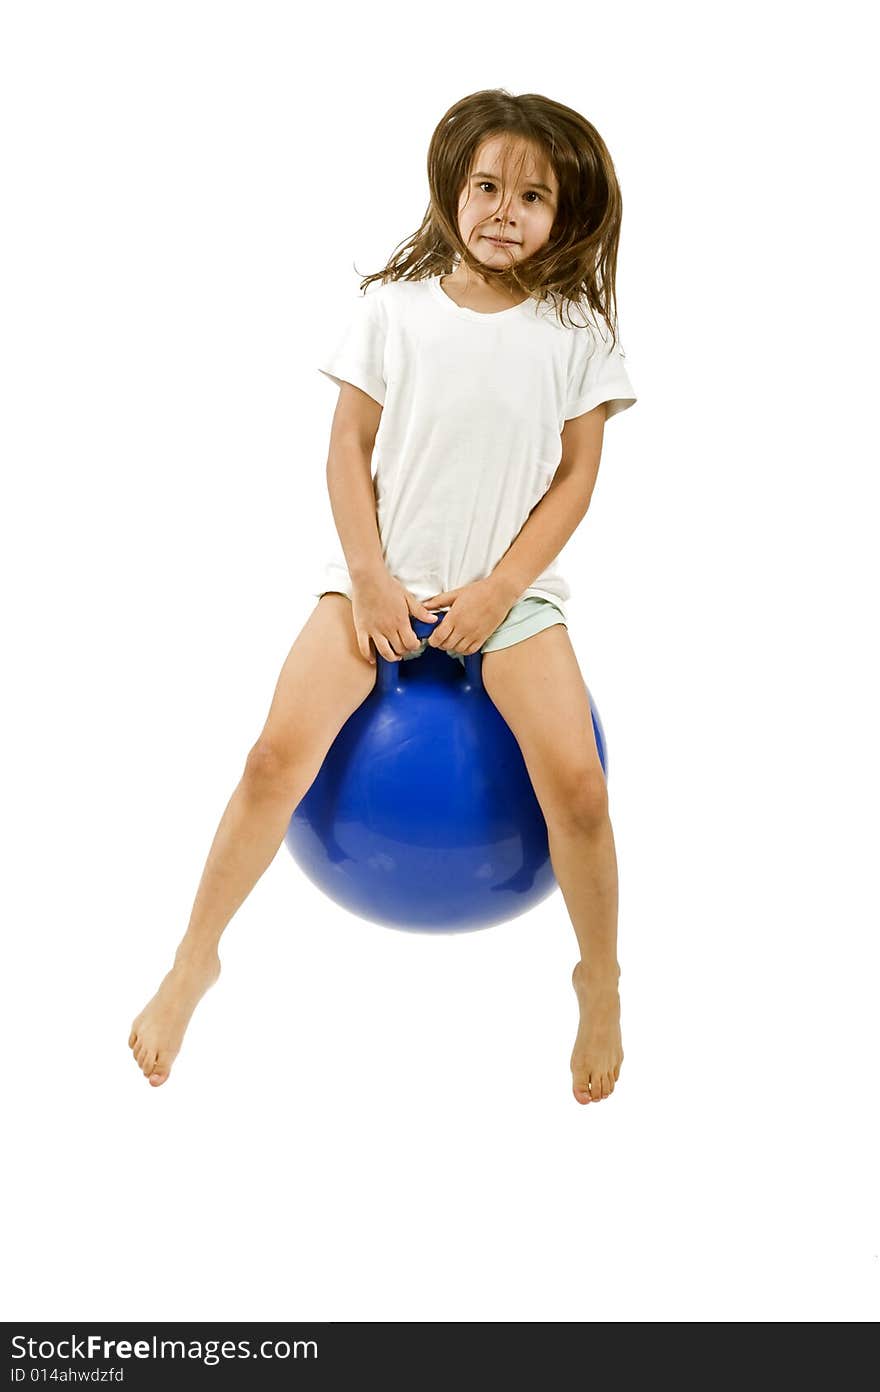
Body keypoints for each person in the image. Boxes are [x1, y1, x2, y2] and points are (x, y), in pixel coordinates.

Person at [128, 88, 637, 1104]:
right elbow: (346, 447)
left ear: (566, 213)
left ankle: (599, 978)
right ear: (450, 190)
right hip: (377, 580)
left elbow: (575, 480)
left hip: (512, 595)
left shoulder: (576, 331)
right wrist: (367, 580)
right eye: (486, 186)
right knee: (273, 759)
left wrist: (500, 588)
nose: (503, 210)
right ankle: (194, 957)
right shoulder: (391, 311)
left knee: (577, 791)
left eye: (532, 196)